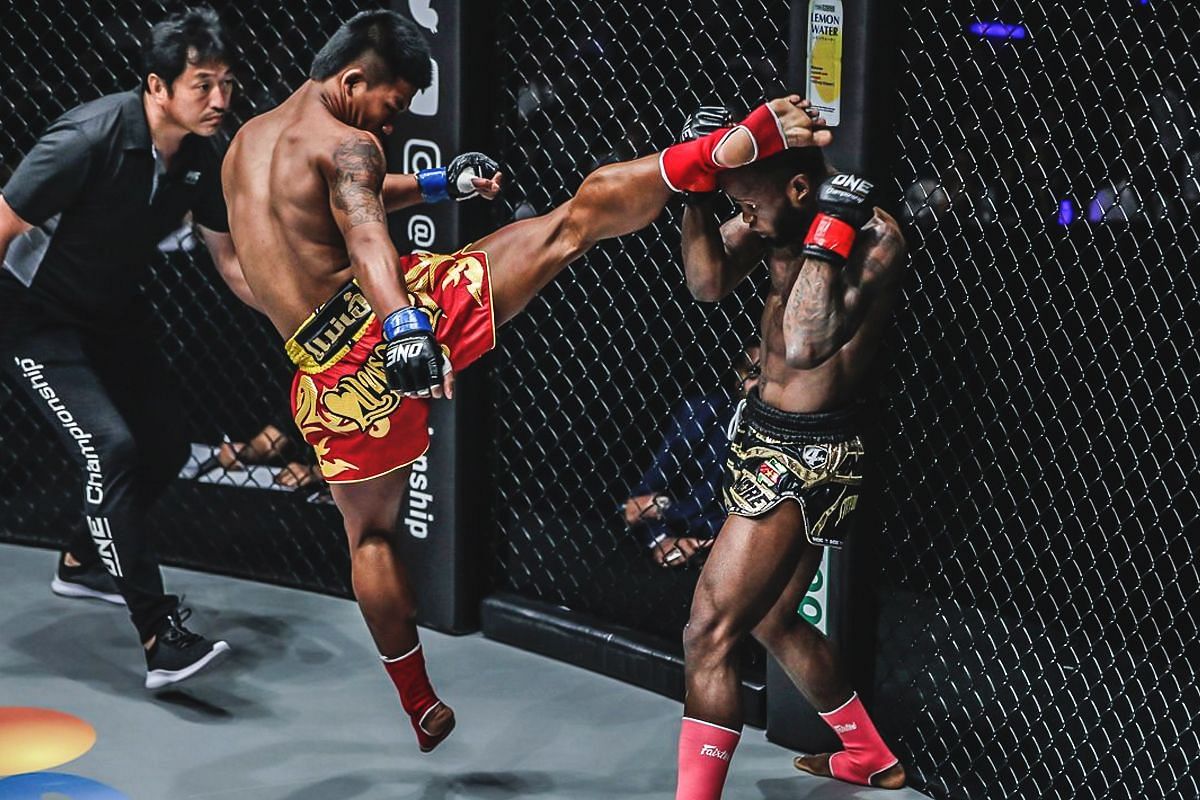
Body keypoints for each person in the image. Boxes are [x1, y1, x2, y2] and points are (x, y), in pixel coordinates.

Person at [221, 9, 827, 753]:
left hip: (322, 374)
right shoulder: (348, 144)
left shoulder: (247, 143)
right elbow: (364, 226)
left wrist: (441, 183)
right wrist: (405, 327)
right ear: (354, 81)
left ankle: (419, 703)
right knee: (571, 223)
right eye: (396, 102)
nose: (397, 118)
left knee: (371, 537)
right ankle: (712, 151)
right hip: (390, 315)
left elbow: (322, 213)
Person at [0, 7, 255, 690]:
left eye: (226, 83)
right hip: (36, 318)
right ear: (156, 86)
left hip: (112, 315)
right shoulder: (87, 138)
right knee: (110, 448)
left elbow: (230, 262)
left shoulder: (205, 154)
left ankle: (85, 561)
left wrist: (303, 324)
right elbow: (1, 227)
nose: (219, 100)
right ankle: (158, 634)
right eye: (202, 85)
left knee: (167, 442)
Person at [671, 118, 909, 794]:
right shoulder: (774, 219)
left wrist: (830, 228)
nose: (741, 217)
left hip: (806, 452)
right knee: (773, 619)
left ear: (800, 186)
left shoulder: (873, 236)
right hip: (770, 437)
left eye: (747, 203)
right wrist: (693, 191)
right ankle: (871, 757)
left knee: (707, 634)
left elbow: (807, 344)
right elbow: (708, 284)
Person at [624, 344, 760, 568]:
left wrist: (666, 509)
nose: (762, 384)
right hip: (688, 542)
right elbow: (639, 503)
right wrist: (662, 539)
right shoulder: (702, 413)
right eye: (754, 372)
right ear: (738, 376)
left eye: (774, 376)